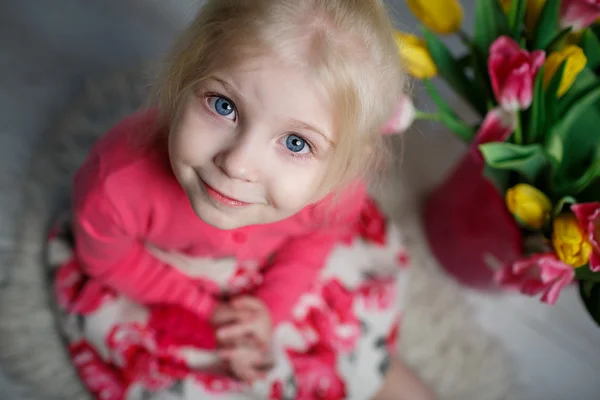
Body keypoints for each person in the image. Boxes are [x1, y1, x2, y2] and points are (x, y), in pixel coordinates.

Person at [47, 0, 434, 399]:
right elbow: (106, 258)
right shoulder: (116, 183)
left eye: (296, 143)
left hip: (275, 271)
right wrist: (202, 308)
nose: (237, 164)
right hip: (160, 280)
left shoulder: (335, 193)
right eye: (223, 105)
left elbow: (318, 238)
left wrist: (271, 306)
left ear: (348, 165)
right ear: (186, 76)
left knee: (354, 348)